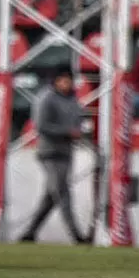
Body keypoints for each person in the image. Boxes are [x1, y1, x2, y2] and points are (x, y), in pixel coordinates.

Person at [19, 67, 88, 245]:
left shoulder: (73, 99)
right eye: (64, 80)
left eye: (69, 80)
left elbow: (78, 119)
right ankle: (76, 234)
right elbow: (41, 126)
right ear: (56, 81)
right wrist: (67, 132)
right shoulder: (46, 98)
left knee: (51, 195)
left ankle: (29, 233)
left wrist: (77, 131)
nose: (67, 84)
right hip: (50, 152)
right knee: (63, 192)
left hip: (66, 151)